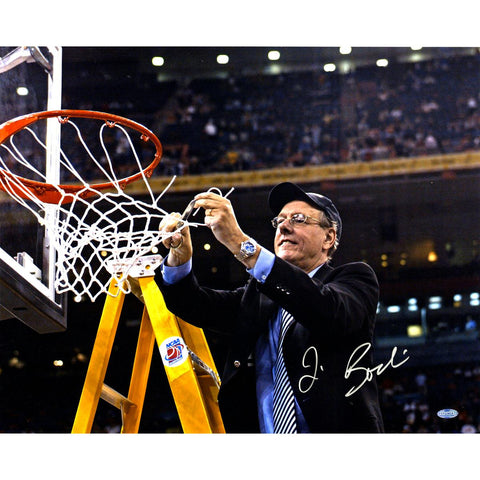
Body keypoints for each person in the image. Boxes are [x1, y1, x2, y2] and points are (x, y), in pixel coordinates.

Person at [158, 181, 384, 433]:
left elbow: (325, 310)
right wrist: (179, 259)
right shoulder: (259, 294)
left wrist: (239, 242)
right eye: (279, 221)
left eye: (298, 219)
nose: (284, 226)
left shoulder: (355, 279)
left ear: (329, 237)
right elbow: (196, 305)